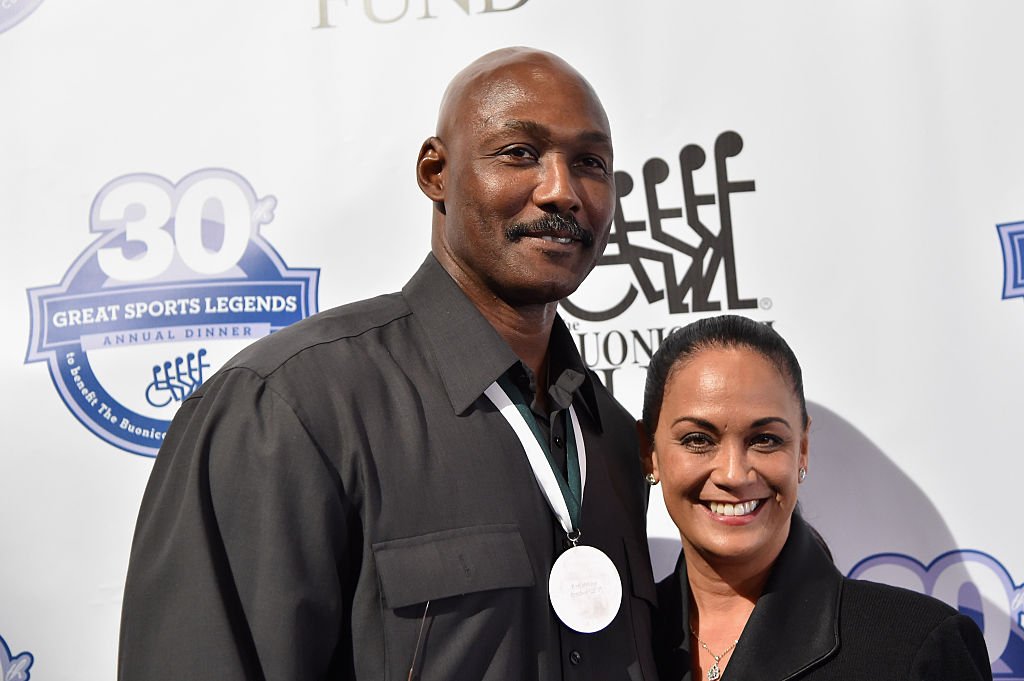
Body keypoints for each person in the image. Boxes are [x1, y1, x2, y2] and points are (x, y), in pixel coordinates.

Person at [118, 47, 658, 681]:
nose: (561, 190)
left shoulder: (614, 438)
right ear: (435, 172)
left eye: (590, 163)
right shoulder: (290, 408)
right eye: (520, 154)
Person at [640, 315, 992, 681]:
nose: (733, 474)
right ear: (648, 452)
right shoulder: (615, 640)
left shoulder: (917, 645)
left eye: (765, 439)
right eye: (698, 440)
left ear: (802, 450)